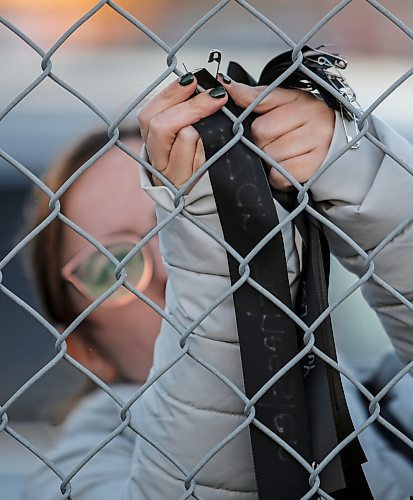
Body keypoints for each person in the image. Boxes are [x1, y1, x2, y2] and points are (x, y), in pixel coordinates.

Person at [24, 69, 413, 499]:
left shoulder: (385, 398)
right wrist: (211, 246)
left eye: (170, 226)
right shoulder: (72, 473)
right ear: (81, 348)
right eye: (115, 267)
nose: (170, 271)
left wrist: (361, 178)